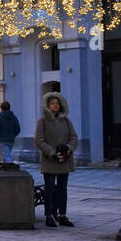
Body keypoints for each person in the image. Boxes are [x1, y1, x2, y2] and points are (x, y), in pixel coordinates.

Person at [35, 91, 79, 228]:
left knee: (62, 189)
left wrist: (67, 149)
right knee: (49, 189)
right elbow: (39, 140)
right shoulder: (42, 121)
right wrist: (52, 153)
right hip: (50, 160)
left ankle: (62, 214)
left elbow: (74, 138)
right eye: (53, 103)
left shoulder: (66, 121)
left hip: (64, 160)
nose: (56, 105)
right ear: (47, 106)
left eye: (57, 103)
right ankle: (49, 215)